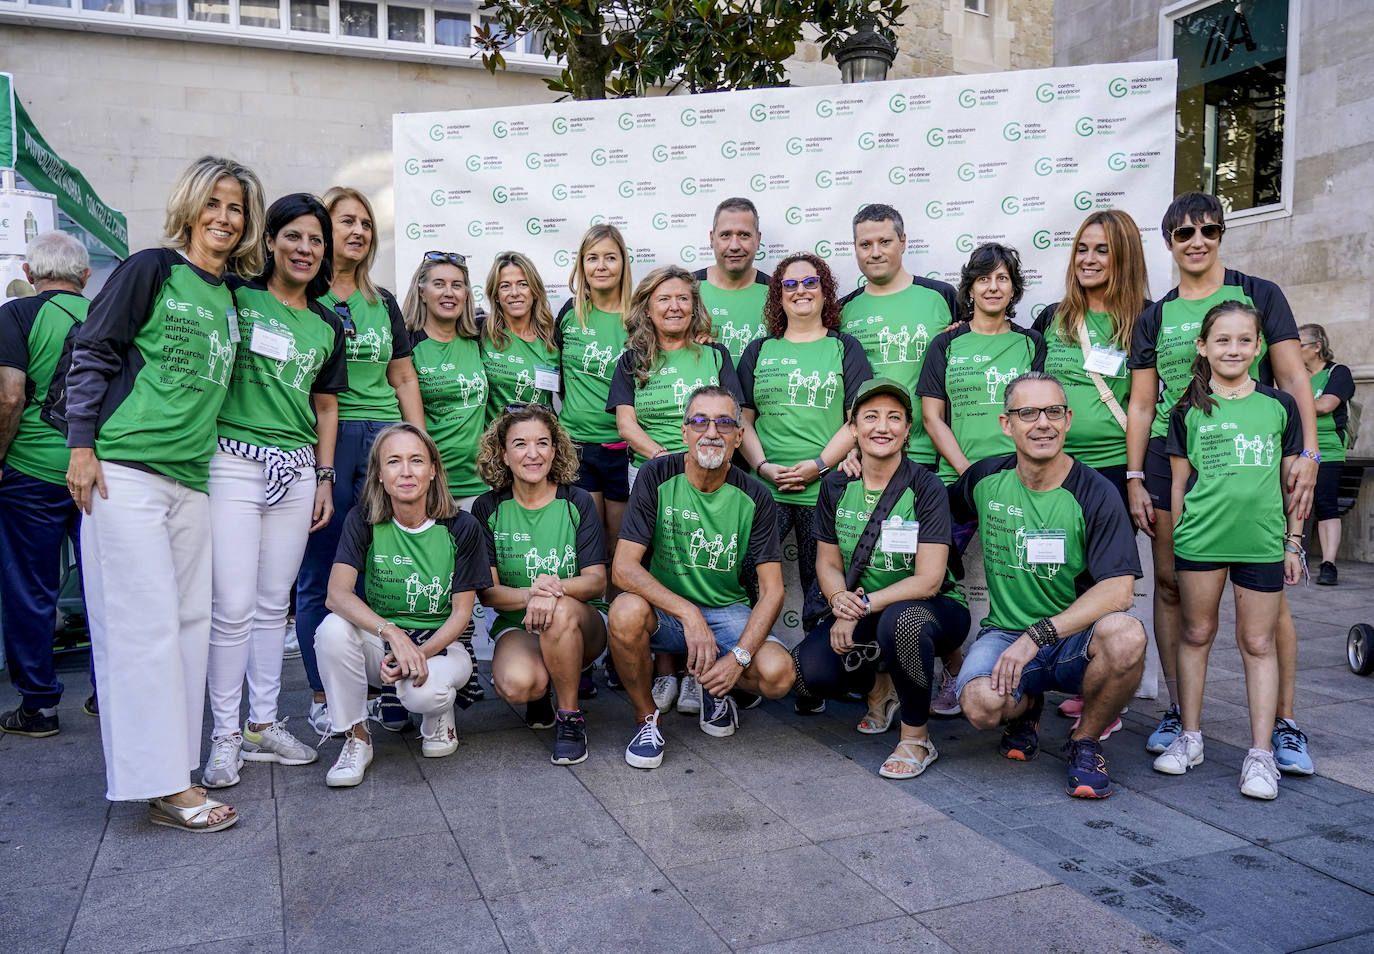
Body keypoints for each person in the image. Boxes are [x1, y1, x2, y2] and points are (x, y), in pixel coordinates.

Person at [65, 155, 266, 832]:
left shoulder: (231, 297)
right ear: (190, 206)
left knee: (187, 631)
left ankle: (172, 772)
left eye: (236, 208)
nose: (224, 217)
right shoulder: (152, 269)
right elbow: (93, 349)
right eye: (214, 203)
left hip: (191, 481)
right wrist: (82, 449)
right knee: (141, 632)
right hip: (126, 472)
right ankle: (163, 783)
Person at [1127, 192, 1319, 776]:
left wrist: (1308, 451)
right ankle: (1182, 717)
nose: (1197, 240)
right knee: (1171, 587)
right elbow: (1141, 404)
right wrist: (1136, 475)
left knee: (1266, 604)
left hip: (1255, 457)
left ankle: (1281, 725)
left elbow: (1291, 376)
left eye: (1209, 230)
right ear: (1169, 242)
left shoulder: (1258, 294)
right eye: (1184, 233)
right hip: (1173, 456)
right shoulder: (1155, 315)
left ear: (1221, 235)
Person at [201, 193, 348, 788]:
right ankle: (225, 737)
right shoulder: (238, 297)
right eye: (294, 236)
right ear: (271, 242)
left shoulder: (327, 324)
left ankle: (262, 725)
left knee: (271, 606)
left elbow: (327, 405)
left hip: (296, 468)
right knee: (232, 608)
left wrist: (324, 475)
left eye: (316, 241)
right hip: (231, 461)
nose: (305, 249)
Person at [953, 372, 1146, 799]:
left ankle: (1085, 742)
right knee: (980, 705)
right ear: (1007, 424)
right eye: (1028, 413)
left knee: (1127, 635)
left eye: (1053, 412)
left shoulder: (1095, 492)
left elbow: (1119, 591)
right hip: (1005, 632)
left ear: (1068, 419)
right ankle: (1026, 707)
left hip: (1072, 639)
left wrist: (1036, 636)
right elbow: (939, 513)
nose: (1043, 423)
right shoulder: (985, 479)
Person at [1154, 301, 1303, 800]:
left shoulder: (1279, 406)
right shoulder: (1186, 408)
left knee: (1257, 643)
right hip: (1201, 542)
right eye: (1222, 339)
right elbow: (1177, 489)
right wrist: (1175, 549)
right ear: (1202, 346)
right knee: (1196, 633)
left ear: (1259, 347)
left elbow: (1292, 484)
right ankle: (1190, 736)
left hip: (1261, 544)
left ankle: (1261, 754)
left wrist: (1294, 542)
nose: (1233, 348)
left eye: (1244, 339)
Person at [791, 379, 970, 779]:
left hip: (933, 609)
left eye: (894, 417)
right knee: (810, 670)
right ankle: (880, 690)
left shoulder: (927, 488)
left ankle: (916, 738)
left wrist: (860, 607)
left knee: (902, 622)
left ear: (908, 429)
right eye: (870, 417)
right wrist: (839, 600)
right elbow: (827, 562)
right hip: (865, 608)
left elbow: (928, 579)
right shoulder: (836, 484)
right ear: (852, 428)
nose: (882, 426)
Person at [608, 385, 795, 768]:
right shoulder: (655, 474)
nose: (711, 431)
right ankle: (647, 720)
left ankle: (715, 685)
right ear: (684, 432)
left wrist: (738, 659)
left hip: (727, 612)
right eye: (700, 421)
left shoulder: (757, 496)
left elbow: (773, 591)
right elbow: (623, 568)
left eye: (725, 422)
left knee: (778, 675)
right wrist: (689, 614)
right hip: (666, 612)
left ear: (739, 436)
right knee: (624, 612)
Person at [295, 186, 424, 739]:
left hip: (383, 440)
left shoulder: (383, 301)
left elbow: (401, 376)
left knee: (382, 566)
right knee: (321, 571)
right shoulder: (302, 296)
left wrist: (417, 439)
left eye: (366, 224)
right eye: (346, 221)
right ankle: (324, 694)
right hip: (325, 439)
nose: (358, 232)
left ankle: (379, 686)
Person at [314, 423, 490, 786]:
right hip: (387, 645)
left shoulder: (462, 526)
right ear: (380, 474)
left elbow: (460, 615)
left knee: (425, 695)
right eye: (394, 461)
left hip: (443, 645)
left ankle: (439, 716)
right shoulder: (364, 521)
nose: (406, 471)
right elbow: (337, 594)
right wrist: (392, 633)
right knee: (331, 630)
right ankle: (356, 737)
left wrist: (419, 652)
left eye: (416, 461)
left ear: (433, 470)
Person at [1031, 209, 1151, 733]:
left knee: (1107, 582)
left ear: (1122, 256)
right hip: (1055, 466)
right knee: (1068, 576)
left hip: (1112, 466)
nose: (1089, 259)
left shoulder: (1145, 319)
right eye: (1082, 248)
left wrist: (1134, 476)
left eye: (1102, 249)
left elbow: (1146, 404)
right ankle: (1081, 677)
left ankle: (1107, 693)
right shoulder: (1052, 318)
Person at [606, 265, 743, 714]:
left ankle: (694, 675)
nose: (674, 306)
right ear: (648, 305)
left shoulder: (715, 355)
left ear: (695, 305)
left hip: (709, 472)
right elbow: (626, 423)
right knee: (654, 570)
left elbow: (737, 415)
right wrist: (669, 461)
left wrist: (697, 460)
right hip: (652, 474)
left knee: (693, 564)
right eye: (664, 298)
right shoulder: (632, 359)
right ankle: (664, 671)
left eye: (683, 298)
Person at [471, 406, 608, 766]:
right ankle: (540, 692)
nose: (532, 453)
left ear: (555, 450)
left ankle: (569, 718)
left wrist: (553, 592)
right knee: (519, 684)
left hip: (581, 623)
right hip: (519, 623)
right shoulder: (487, 508)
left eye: (542, 443)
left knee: (559, 610)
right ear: (503, 453)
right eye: (520, 444)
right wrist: (535, 593)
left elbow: (596, 581)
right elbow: (489, 592)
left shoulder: (576, 501)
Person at [737, 252, 871, 616]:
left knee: (822, 590)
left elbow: (856, 420)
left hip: (825, 489)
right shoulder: (759, 350)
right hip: (767, 487)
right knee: (745, 571)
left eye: (810, 282)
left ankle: (819, 664)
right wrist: (763, 467)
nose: (801, 291)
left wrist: (819, 465)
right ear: (778, 296)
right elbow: (742, 420)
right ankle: (750, 656)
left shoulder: (845, 347)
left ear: (825, 291)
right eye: (790, 284)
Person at [0, 231, 92, 737]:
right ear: (85, 276)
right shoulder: (105, 315)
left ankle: (38, 707)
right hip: (97, 471)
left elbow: (9, 397)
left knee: (30, 590)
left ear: (31, 276)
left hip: (31, 474)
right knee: (103, 589)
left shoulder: (15, 315)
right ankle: (108, 696)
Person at [839, 203, 959, 471]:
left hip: (931, 455)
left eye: (885, 242)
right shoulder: (842, 310)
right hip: (866, 456)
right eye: (865, 244)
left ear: (903, 243)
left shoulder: (942, 296)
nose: (876, 252)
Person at [918, 243, 1046, 485]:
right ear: (971, 289)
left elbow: (1039, 414)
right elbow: (931, 418)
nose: (993, 287)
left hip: (1018, 478)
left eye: (1002, 278)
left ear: (1013, 289)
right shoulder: (945, 343)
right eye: (984, 279)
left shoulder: (1032, 342)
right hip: (956, 478)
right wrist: (968, 473)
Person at [556, 224, 634, 566]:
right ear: (581, 265)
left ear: (623, 264)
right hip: (576, 449)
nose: (601, 266)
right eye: (592, 258)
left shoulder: (639, 318)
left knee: (621, 548)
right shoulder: (569, 316)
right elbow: (558, 378)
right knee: (589, 549)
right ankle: (593, 619)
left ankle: (618, 618)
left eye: (610, 258)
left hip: (621, 449)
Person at [404, 250, 487, 508]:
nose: (448, 293)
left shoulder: (480, 339)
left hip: (481, 483)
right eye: (439, 284)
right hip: (431, 485)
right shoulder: (407, 344)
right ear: (422, 292)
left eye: (457, 285)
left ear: (466, 294)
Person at [1298, 323, 1354, 585]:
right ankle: (1296, 554)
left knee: (1325, 503)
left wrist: (1291, 400)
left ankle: (1329, 564)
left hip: (1327, 448)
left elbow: (1326, 405)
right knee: (1294, 503)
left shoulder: (1337, 372)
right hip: (1296, 447)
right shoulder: (1295, 374)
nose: (1293, 351)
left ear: (1317, 347)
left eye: (1299, 346)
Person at [480, 251, 560, 418]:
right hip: (493, 442)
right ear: (496, 295)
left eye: (523, 284)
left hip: (537, 440)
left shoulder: (553, 339)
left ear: (535, 291)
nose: (514, 292)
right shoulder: (479, 334)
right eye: (505, 286)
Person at [693, 197, 771, 362]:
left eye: (744, 235)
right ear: (712, 239)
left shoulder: (779, 293)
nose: (734, 246)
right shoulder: (687, 288)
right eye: (725, 235)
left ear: (758, 239)